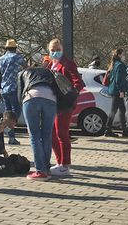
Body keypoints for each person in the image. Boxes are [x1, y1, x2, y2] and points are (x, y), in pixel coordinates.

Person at [46, 38, 84, 177]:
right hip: (54, 102)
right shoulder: (51, 64)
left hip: (64, 104)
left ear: (62, 50)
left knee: (62, 133)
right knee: (52, 134)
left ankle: (64, 164)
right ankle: (59, 162)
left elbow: (78, 82)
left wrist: (70, 95)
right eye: (52, 50)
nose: (55, 52)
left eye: (58, 50)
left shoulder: (67, 64)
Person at [17, 66, 59, 180]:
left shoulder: (23, 72)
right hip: (51, 99)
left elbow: (20, 91)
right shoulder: (49, 73)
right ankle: (46, 169)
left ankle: (40, 171)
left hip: (31, 98)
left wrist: (22, 105)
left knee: (34, 136)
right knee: (47, 135)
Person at [0, 39, 27, 145]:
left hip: (3, 88)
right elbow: (26, 68)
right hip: (14, 88)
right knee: (16, 111)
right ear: (15, 48)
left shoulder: (0, 59)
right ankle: (7, 126)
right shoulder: (17, 57)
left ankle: (11, 136)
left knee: (8, 112)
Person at [104, 49, 128, 137]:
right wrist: (121, 91)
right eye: (123, 54)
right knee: (114, 110)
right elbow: (118, 80)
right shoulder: (120, 65)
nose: (124, 56)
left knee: (121, 110)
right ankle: (108, 129)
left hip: (114, 90)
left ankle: (124, 129)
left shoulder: (114, 64)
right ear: (119, 55)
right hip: (117, 91)